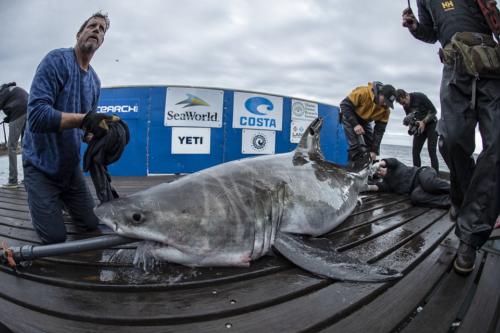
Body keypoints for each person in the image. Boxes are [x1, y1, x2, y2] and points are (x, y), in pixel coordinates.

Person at [402, 1, 500, 275]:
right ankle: (460, 198)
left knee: (497, 146)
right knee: (452, 139)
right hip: (456, 68)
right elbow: (430, 32)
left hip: (492, 69)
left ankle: (469, 236)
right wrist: (414, 28)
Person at [23, 12, 116, 244]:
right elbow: (36, 116)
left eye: (102, 29)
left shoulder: (95, 82)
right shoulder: (56, 61)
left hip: (70, 169)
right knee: (54, 237)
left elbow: (85, 132)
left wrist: (98, 134)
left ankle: (62, 200)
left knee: (91, 224)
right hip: (40, 166)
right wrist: (85, 119)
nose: (97, 30)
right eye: (92, 26)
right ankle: (38, 196)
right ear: (79, 34)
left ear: (102, 42)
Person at [340, 81, 397, 163]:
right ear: (380, 94)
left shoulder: (386, 110)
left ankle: (369, 168)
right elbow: (344, 105)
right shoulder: (363, 92)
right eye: (385, 100)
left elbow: (379, 131)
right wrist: (355, 125)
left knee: (372, 148)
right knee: (355, 146)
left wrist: (374, 151)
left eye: (388, 103)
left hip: (365, 121)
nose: (385, 104)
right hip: (350, 116)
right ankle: (351, 170)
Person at [366, 158, 450, 209]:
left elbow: (391, 161)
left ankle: (457, 190)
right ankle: (451, 201)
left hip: (421, 173)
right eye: (377, 174)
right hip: (417, 188)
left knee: (428, 184)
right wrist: (365, 187)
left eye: (379, 169)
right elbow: (376, 187)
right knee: (415, 198)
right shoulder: (387, 184)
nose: (379, 172)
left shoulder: (395, 166)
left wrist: (379, 163)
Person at [396, 89, 439, 172]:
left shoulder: (420, 96)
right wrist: (411, 124)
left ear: (406, 95)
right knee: (415, 151)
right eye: (402, 104)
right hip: (419, 126)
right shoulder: (405, 106)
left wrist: (424, 122)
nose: (404, 105)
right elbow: (411, 117)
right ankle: (416, 174)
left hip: (432, 124)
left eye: (404, 102)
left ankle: (435, 175)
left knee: (431, 150)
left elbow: (434, 111)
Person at [0, 82, 28, 188]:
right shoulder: (10, 89)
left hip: (19, 111)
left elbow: (14, 106)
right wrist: (8, 118)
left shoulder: (1, 93)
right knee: (26, 146)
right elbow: (14, 103)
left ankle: (13, 181)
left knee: (11, 146)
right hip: (30, 109)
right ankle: (28, 179)